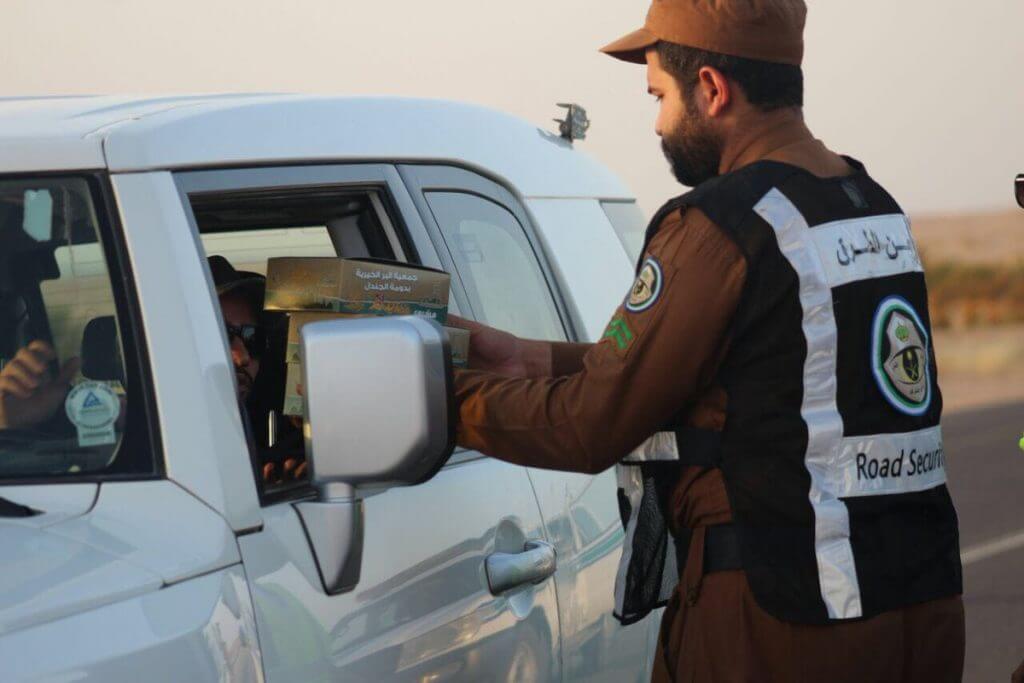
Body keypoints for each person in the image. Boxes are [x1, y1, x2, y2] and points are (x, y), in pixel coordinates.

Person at [451, 1, 964, 681]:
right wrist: (528, 359)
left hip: (785, 620)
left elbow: (588, 425)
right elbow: (760, 369)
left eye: (659, 97)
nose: (657, 124)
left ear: (713, 89)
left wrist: (437, 400)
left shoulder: (723, 224)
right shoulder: (870, 206)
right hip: (921, 607)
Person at [207, 255, 306, 483]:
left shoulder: (284, 430)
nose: (243, 357)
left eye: (253, 338)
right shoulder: (142, 437)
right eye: (221, 336)